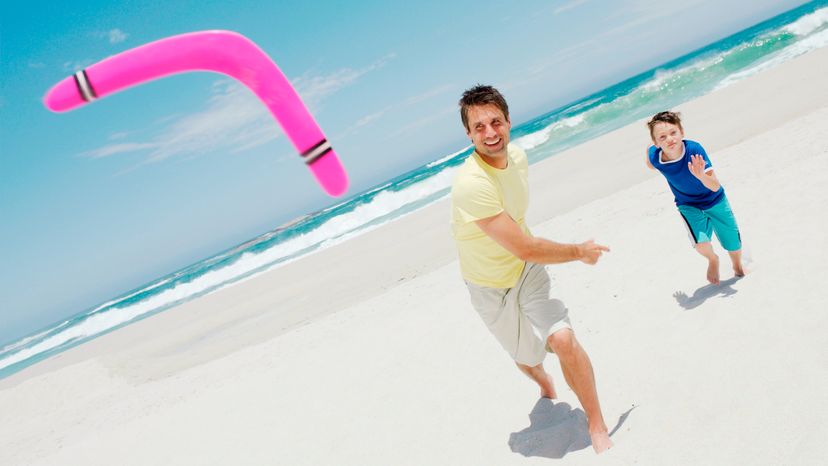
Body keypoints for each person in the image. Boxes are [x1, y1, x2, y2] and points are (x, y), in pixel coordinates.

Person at [451, 85, 613, 454]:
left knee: (563, 339)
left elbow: (523, 246)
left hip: (526, 270)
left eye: (496, 122)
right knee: (527, 358)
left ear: (508, 121)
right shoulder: (470, 185)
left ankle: (596, 423)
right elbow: (522, 242)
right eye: (479, 127)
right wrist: (577, 252)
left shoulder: (518, 158)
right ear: (468, 134)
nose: (490, 133)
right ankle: (543, 382)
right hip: (489, 286)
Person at [645, 111, 745, 285]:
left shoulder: (694, 150)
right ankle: (713, 260)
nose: (669, 139)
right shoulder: (655, 156)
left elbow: (715, 185)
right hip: (688, 204)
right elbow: (650, 161)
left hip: (715, 199)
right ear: (656, 142)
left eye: (673, 133)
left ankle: (737, 267)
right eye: (662, 137)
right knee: (700, 244)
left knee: (732, 241)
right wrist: (649, 150)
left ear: (682, 132)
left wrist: (700, 176)